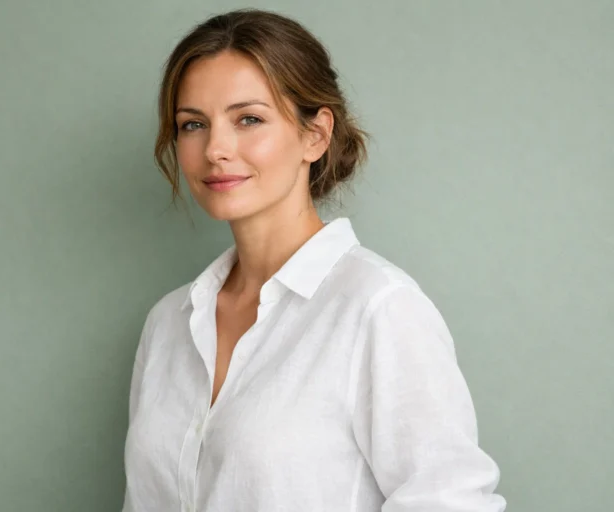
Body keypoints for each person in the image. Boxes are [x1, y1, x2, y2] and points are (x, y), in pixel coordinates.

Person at [122, 8, 506, 512]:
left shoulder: (378, 309)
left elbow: (452, 501)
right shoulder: (168, 323)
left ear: (315, 135)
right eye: (193, 124)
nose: (215, 148)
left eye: (249, 119)